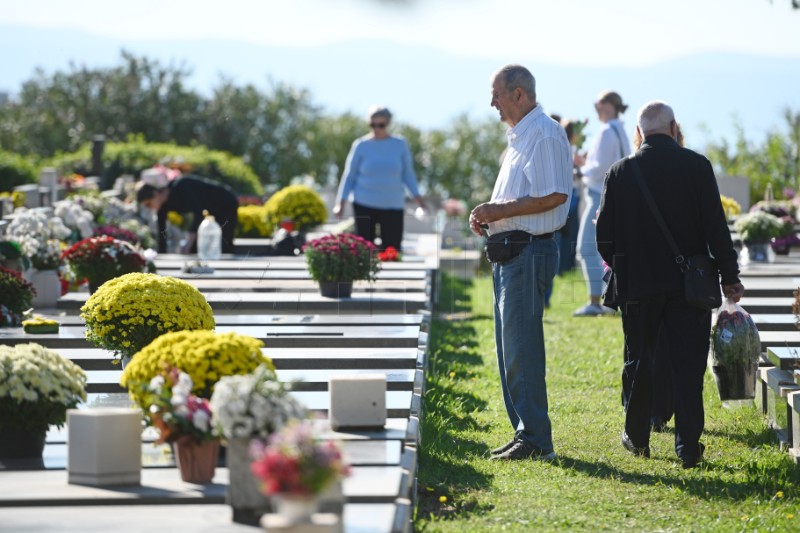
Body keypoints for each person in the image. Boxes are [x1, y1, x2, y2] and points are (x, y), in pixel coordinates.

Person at [596, 101, 744, 468]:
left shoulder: (620, 171)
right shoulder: (697, 166)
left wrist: (625, 265)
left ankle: (637, 437)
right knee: (688, 366)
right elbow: (715, 229)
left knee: (639, 360)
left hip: (637, 285)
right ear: (674, 127)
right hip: (688, 288)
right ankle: (688, 448)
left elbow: (604, 238)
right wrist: (730, 276)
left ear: (640, 131)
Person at [469, 64, 572, 461]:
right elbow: (522, 199)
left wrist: (497, 210)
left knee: (522, 349)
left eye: (496, 94)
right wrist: (490, 218)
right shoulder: (520, 137)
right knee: (509, 348)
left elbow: (555, 196)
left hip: (529, 252)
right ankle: (525, 432)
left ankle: (536, 440)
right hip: (512, 251)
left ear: (519, 94)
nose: (491, 102)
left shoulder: (543, 134)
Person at [333, 106, 425, 251]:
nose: (376, 128)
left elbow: (408, 175)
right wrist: (340, 203)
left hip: (392, 205)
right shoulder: (360, 146)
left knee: (392, 249)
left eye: (380, 125)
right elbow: (349, 176)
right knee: (363, 251)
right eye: (373, 125)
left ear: (388, 124)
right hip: (363, 203)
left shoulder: (400, 145)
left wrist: (418, 199)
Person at [573, 91, 631, 316]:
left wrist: (579, 170)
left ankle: (597, 301)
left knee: (586, 248)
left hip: (599, 194)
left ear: (607, 106)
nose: (597, 111)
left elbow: (599, 168)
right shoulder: (620, 130)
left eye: (598, 106)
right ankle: (605, 298)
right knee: (602, 250)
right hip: (612, 194)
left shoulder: (608, 131)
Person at [137, 175, 239, 254]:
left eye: (149, 204)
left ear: (156, 194)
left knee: (224, 241)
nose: (150, 208)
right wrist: (161, 255)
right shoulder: (162, 207)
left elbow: (198, 212)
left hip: (225, 202)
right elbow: (162, 233)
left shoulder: (181, 185)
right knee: (193, 250)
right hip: (210, 209)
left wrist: (189, 241)